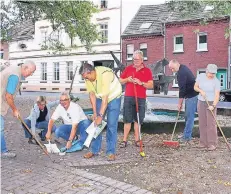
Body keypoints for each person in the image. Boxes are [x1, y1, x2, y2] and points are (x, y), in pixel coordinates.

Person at [79, 63, 122, 161]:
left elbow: (105, 100)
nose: (86, 80)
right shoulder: (88, 78)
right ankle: (94, 150)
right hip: (100, 97)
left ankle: (111, 152)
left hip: (114, 97)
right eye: (85, 78)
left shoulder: (105, 75)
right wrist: (95, 114)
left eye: (87, 77)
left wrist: (100, 116)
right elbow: (92, 95)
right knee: (96, 123)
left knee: (111, 124)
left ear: (91, 72)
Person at [1, 60, 36, 158]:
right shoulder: (15, 76)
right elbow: (8, 96)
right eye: (31, 72)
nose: (31, 74)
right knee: (0, 128)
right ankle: (3, 152)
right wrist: (15, 110)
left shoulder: (14, 70)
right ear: (25, 68)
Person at [119, 50, 153, 148]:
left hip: (141, 98)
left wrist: (141, 83)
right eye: (134, 59)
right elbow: (120, 80)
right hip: (129, 97)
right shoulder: (128, 68)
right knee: (127, 119)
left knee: (138, 120)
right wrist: (127, 79)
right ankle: (124, 140)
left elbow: (151, 85)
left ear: (142, 59)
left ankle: (137, 140)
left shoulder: (147, 71)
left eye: (137, 59)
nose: (135, 61)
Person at [168, 59, 198, 143]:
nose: (172, 70)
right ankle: (186, 133)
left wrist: (179, 104)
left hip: (192, 96)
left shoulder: (181, 73)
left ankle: (187, 137)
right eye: (170, 69)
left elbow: (182, 90)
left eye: (172, 68)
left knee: (190, 117)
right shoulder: (182, 68)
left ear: (177, 64)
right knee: (187, 116)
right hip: (190, 96)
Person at [194, 64, 220, 151]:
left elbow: (217, 95)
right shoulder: (200, 77)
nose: (212, 75)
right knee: (202, 123)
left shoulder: (216, 81)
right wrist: (201, 90)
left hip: (211, 102)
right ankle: (203, 142)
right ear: (206, 71)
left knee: (211, 124)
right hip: (201, 101)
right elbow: (195, 87)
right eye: (211, 73)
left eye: (214, 73)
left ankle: (212, 143)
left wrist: (213, 105)